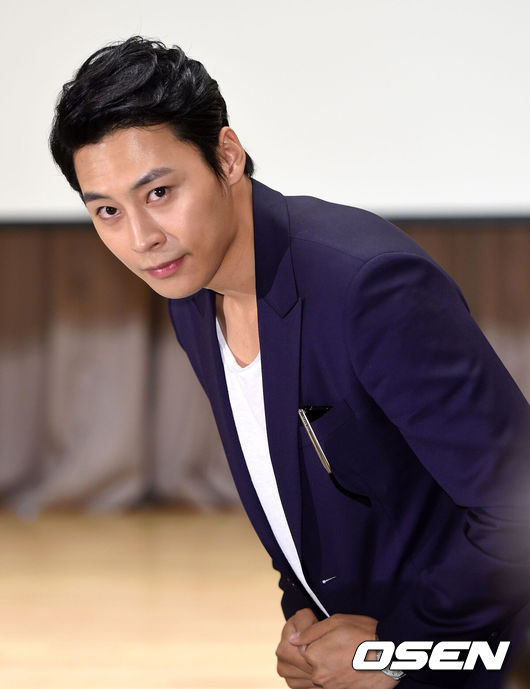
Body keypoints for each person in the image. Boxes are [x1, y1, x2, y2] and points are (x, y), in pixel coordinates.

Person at [49, 36, 529, 689]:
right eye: (107, 211)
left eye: (158, 192)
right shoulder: (191, 292)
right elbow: (290, 487)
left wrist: (398, 651)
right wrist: (304, 620)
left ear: (226, 156)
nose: (141, 239)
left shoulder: (368, 287)